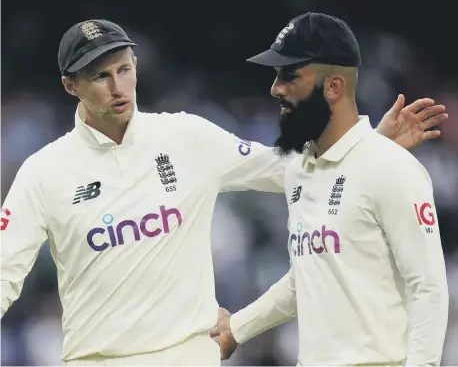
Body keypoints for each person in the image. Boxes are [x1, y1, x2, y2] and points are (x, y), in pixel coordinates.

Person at [0, 18, 447, 366]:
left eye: (125, 70)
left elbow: (291, 168)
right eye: (101, 76)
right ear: (69, 86)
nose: (119, 88)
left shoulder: (187, 137)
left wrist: (368, 149)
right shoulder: (44, 173)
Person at [212, 12, 449, 366]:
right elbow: (306, 276)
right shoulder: (299, 172)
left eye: (289, 76)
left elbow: (428, 288)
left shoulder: (392, 167)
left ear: (333, 86)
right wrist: (238, 328)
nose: (275, 88)